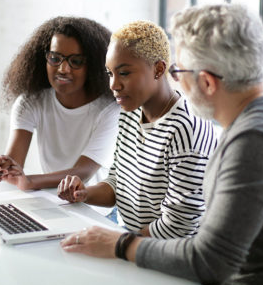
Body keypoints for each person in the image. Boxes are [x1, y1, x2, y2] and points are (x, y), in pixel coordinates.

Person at [60, 4, 263, 285]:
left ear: (208, 82)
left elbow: (209, 263)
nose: (176, 81)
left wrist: (120, 243)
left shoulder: (255, 142)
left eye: (178, 70)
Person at [57, 20, 218, 239]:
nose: (113, 85)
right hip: (129, 236)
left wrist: (116, 244)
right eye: (110, 73)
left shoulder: (187, 129)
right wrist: (83, 194)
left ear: (158, 69)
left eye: (123, 73)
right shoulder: (130, 112)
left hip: (168, 253)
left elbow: (179, 227)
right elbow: (117, 183)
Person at [0, 16, 120, 192]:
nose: (63, 69)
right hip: (53, 202)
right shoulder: (30, 103)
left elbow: (83, 172)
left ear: (92, 66)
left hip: (96, 210)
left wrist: (28, 181)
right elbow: (13, 164)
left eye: (75, 61)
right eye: (55, 58)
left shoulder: (109, 111)